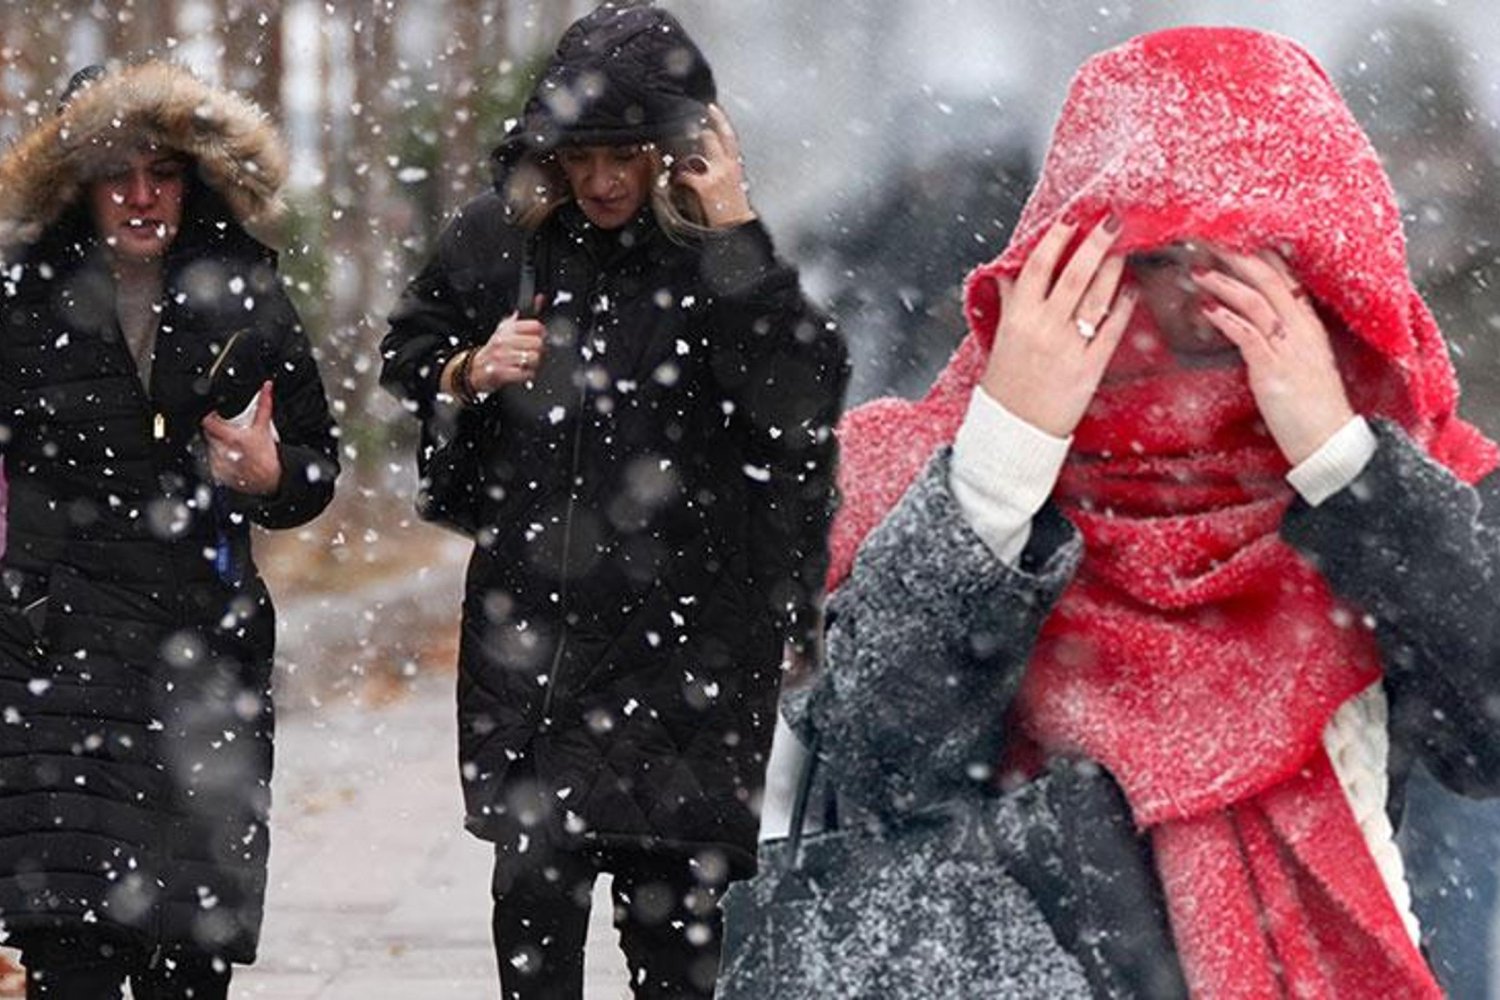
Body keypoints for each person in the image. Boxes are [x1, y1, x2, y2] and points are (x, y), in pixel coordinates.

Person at [760, 26, 1500, 998]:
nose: (1199, 299)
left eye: (1244, 255)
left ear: (1321, 254)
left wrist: (1341, 459)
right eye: (1162, 252)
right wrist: (1003, 456)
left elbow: (1482, 731)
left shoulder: (1405, 476)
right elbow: (875, 754)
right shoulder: (949, 465)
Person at [379, 4, 847, 997]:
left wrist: (738, 236)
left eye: (626, 153)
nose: (600, 179)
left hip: (689, 665)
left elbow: (802, 398)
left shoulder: (721, 257)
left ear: (674, 150)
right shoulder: (503, 240)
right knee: (533, 946)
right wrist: (469, 369)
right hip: (539, 658)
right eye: (582, 153)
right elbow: (407, 355)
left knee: (678, 964)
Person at [0, 62, 339, 998]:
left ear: (196, 179)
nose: (142, 196)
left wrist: (271, 475)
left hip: (204, 668)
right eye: (118, 173)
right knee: (71, 957)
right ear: (79, 185)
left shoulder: (247, 296)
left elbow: (314, 467)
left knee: (189, 967)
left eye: (164, 172)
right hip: (55, 668)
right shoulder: (20, 301)